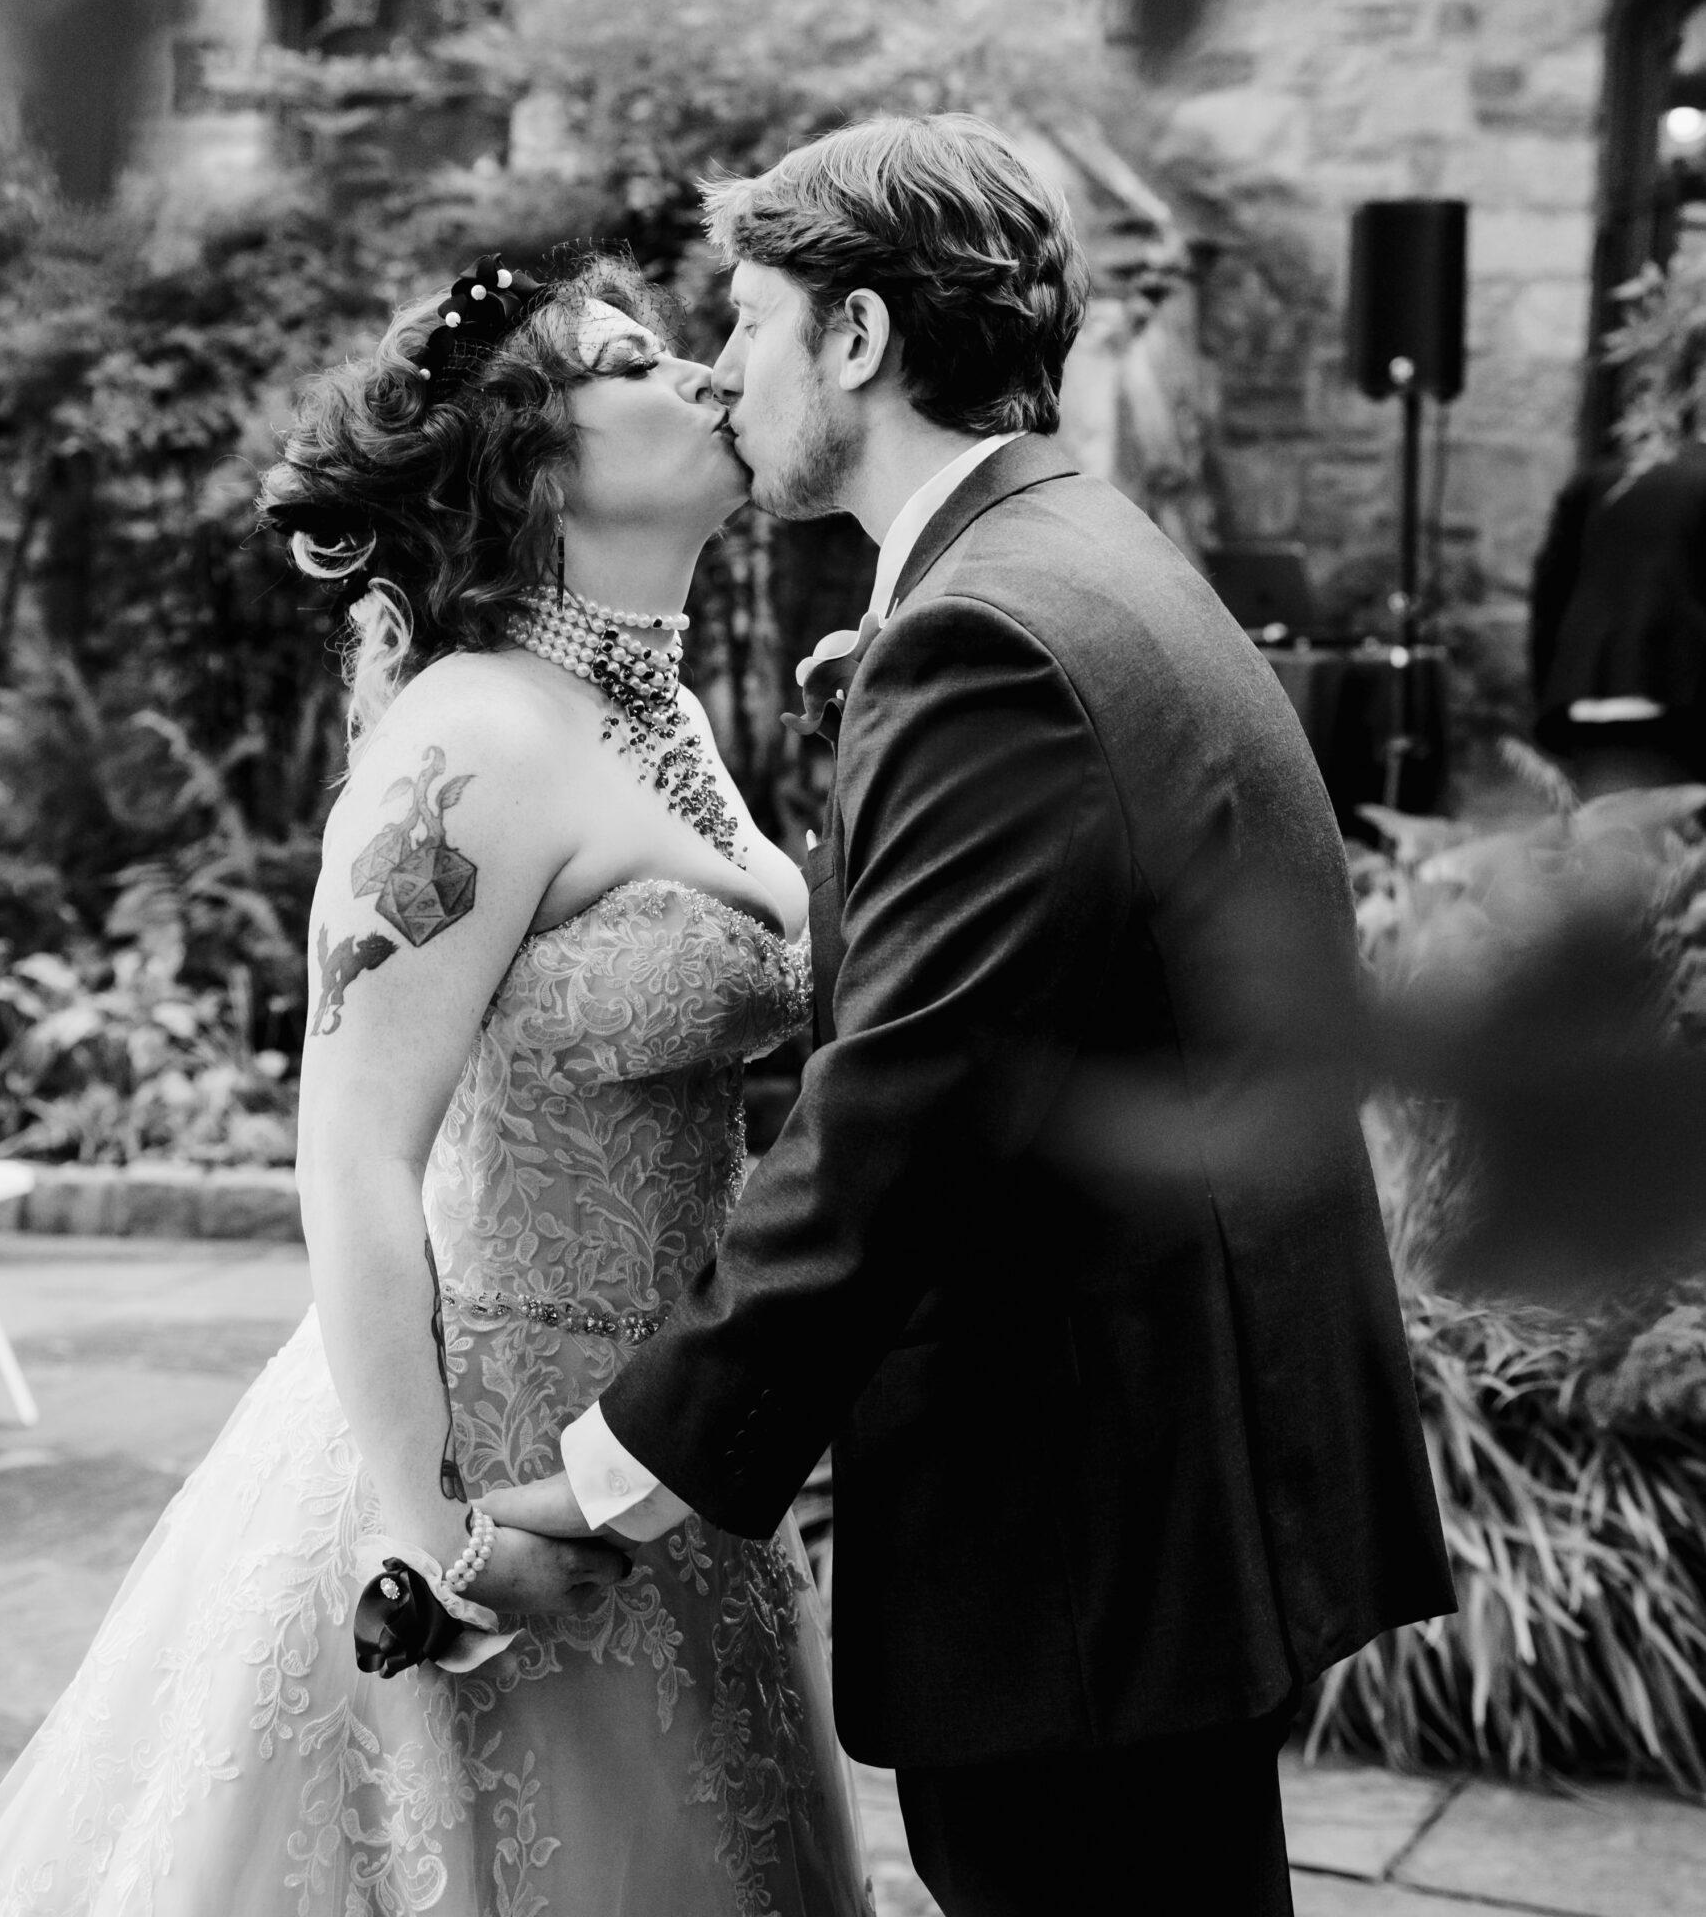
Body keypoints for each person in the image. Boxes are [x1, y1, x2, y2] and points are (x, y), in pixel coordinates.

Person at [487, 118, 1456, 1917]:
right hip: (1182, 1469)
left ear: (858, 339)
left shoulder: (987, 641)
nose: (722, 367)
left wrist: (611, 1480)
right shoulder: (1065, 559)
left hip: (1084, 1519)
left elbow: (902, 1120)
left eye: (755, 320)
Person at [0, 253, 867, 1917]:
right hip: (484, 1455)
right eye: (636, 360)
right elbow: (350, 1162)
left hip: (664, 1453)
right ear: (531, 464)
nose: (699, 376)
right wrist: (438, 1540)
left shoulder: (653, 711)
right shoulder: (466, 741)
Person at [1531, 439, 1706, 793]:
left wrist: (1551, 689)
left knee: (1609, 831)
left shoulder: (1595, 479)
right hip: (1677, 699)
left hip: (1583, 698)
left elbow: (1549, 593)